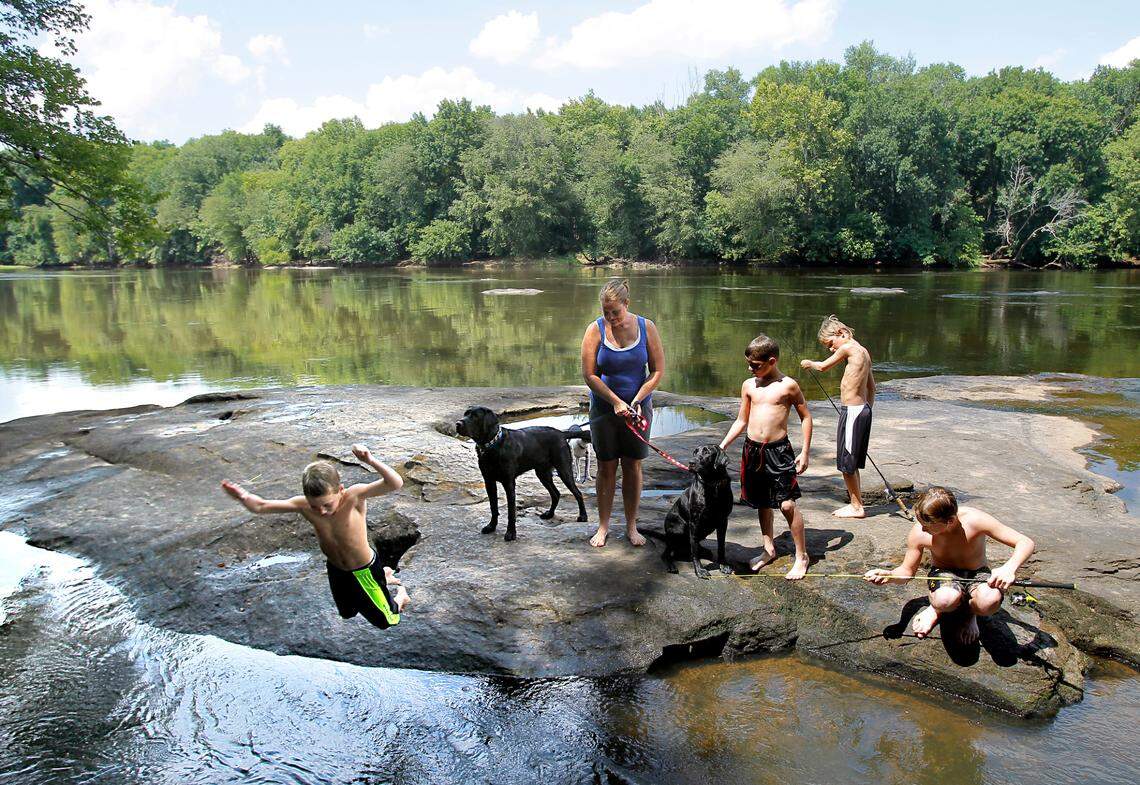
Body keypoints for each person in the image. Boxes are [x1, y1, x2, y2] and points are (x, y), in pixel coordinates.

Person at [221, 444, 409, 629]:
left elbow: (395, 483)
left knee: (386, 621)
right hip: (336, 569)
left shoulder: (354, 497)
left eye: (327, 504)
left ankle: (400, 596)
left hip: (363, 569)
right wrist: (243, 496)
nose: (321, 511)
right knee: (348, 613)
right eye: (315, 506)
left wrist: (370, 460)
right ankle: (384, 576)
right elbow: (261, 506)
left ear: (340, 490)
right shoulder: (303, 505)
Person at [863, 487, 1035, 644]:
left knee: (989, 603)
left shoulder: (975, 520)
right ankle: (936, 609)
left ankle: (971, 615)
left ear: (950, 520)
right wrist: (890, 576)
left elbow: (1025, 542)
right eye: (921, 524)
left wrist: (1009, 568)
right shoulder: (919, 533)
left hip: (977, 573)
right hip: (943, 572)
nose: (922, 530)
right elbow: (907, 571)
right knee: (944, 600)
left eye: (928, 526)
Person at [719, 335, 813, 580]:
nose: (750, 369)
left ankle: (801, 556)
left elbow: (806, 417)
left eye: (756, 365)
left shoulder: (788, 386)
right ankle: (768, 548)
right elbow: (742, 420)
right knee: (762, 502)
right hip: (752, 450)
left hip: (778, 452)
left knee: (787, 504)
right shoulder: (749, 385)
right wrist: (723, 445)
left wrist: (805, 451)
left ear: (772, 361)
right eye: (749, 364)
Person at [580, 278, 665, 547]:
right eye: (606, 312)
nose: (611, 317)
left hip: (638, 408)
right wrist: (616, 401)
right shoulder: (594, 330)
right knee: (606, 466)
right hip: (604, 408)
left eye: (615, 311)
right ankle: (603, 527)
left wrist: (637, 400)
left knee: (632, 464)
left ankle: (631, 527)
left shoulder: (646, 327)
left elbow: (657, 371)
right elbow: (590, 375)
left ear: (627, 304)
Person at [800, 315, 875, 518]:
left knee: (846, 462)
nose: (832, 349)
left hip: (853, 411)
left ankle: (856, 507)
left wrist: (809, 363)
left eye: (830, 344)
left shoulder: (848, 347)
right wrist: (867, 410)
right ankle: (856, 502)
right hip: (861, 411)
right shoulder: (864, 351)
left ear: (842, 333)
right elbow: (871, 387)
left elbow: (823, 367)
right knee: (851, 461)